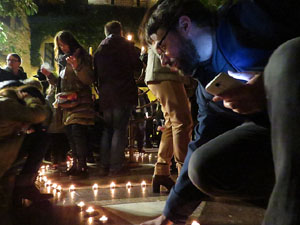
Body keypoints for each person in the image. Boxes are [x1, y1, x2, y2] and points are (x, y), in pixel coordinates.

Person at [139, 0, 300, 224]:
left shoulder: (251, 14)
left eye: (162, 48)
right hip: (277, 140)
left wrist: (270, 85)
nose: (163, 61)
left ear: (184, 24)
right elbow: (201, 140)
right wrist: (170, 215)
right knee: (202, 166)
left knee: (288, 57)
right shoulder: (208, 88)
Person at [41, 30, 95, 178]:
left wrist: (77, 66)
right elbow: (60, 83)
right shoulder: (63, 60)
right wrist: (49, 76)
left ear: (70, 42)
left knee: (78, 133)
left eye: (63, 44)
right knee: (70, 134)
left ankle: (82, 166)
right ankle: (76, 165)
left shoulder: (82, 56)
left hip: (81, 102)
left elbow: (89, 79)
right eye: (59, 46)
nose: (62, 48)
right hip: (67, 104)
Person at [94, 20, 143, 176]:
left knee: (107, 130)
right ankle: (116, 167)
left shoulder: (100, 49)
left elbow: (95, 75)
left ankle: (104, 166)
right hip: (123, 93)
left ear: (106, 32)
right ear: (120, 31)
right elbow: (138, 67)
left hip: (106, 96)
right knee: (119, 130)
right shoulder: (127, 47)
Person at [145, 48, 193, 193]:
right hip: (166, 73)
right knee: (181, 122)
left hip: (161, 73)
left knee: (172, 123)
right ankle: (184, 176)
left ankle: (162, 172)